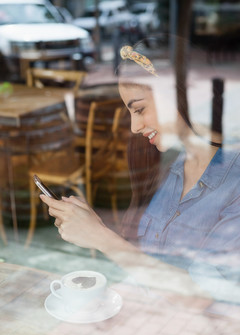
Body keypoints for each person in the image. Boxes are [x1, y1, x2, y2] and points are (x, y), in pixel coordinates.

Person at [40, 42, 240, 305]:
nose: (134, 126)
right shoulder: (172, 163)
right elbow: (152, 260)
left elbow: (203, 298)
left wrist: (101, 237)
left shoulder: (233, 182)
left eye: (140, 109)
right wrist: (91, 225)